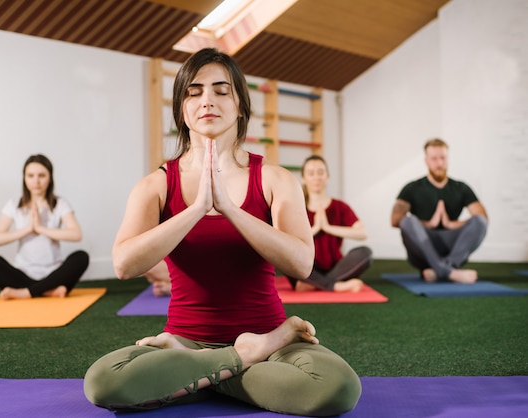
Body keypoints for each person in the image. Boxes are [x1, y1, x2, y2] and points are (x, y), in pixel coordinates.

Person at [83, 48, 361, 416]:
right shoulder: (156, 185)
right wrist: (196, 209)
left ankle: (194, 379)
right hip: (186, 341)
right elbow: (124, 264)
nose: (207, 100)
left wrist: (230, 209)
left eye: (221, 90)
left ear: (241, 105)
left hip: (270, 339)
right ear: (182, 109)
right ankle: (241, 360)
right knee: (104, 381)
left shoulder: (275, 180)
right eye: (194, 92)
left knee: (337, 387)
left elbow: (302, 264)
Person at [0, 154, 89, 300]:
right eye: (30, 176)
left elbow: (76, 234)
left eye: (41, 175)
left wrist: (41, 229)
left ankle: (27, 292)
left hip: (53, 273)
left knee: (81, 257)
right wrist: (28, 229)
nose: (36, 181)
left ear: (50, 178)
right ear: (24, 178)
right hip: (23, 273)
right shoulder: (14, 205)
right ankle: (46, 290)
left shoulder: (60, 204)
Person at [390, 138, 488, 283]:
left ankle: (441, 270)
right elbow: (395, 220)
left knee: (480, 222)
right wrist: (430, 224)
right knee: (408, 221)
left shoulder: (461, 188)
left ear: (448, 159)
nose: (439, 163)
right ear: (426, 161)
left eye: (443, 158)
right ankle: (448, 271)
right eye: (434, 159)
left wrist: (451, 224)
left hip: (452, 247)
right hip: (423, 248)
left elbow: (482, 217)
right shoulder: (412, 188)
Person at [287, 155, 372, 293]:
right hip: (307, 267)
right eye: (311, 173)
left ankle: (316, 283)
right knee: (285, 256)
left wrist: (328, 228)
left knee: (365, 253)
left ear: (327, 177)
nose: (317, 177)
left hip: (336, 267)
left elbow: (362, 233)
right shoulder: (296, 207)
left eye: (321, 173)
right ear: (303, 178)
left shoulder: (340, 207)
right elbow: (288, 241)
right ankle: (335, 285)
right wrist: (314, 229)